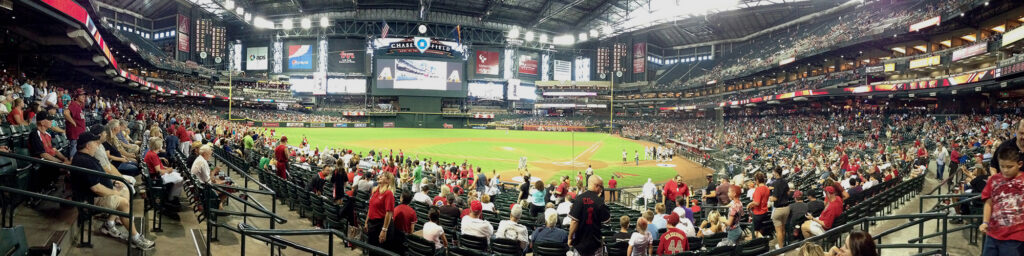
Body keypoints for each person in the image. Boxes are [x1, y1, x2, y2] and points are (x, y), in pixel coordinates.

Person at [69, 131, 155, 250]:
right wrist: (114, 192)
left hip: (94, 195)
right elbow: (96, 188)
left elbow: (100, 176)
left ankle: (109, 224)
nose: (98, 145)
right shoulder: (84, 161)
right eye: (95, 143)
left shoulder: (87, 157)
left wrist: (114, 182)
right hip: (88, 200)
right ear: (88, 146)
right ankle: (136, 238)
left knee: (125, 191)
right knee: (123, 202)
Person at [979, 142, 1024, 256]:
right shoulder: (994, 180)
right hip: (993, 233)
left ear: (1019, 164)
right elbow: (989, 202)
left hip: (1015, 236)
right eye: (1002, 166)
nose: (1005, 170)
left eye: (1009, 166)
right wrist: (985, 221)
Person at [568, 176, 611, 256]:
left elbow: (574, 221)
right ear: (597, 186)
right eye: (601, 187)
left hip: (579, 242)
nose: (601, 189)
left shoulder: (579, 199)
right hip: (595, 242)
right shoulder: (600, 202)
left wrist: (570, 237)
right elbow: (607, 221)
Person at [365, 172, 397, 252]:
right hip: (372, 224)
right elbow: (371, 207)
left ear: (388, 181)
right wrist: (366, 222)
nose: (379, 176)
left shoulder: (388, 193)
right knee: (371, 250)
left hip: (381, 225)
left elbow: (389, 213)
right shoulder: (375, 190)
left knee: (379, 251)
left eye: (382, 176)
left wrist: (384, 230)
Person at [770, 167, 792, 248]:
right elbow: (788, 192)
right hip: (786, 208)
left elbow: (775, 198)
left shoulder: (776, 183)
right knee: (783, 228)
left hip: (778, 209)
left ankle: (780, 248)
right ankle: (782, 245)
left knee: (779, 231)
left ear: (776, 173)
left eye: (773, 172)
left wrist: (770, 198)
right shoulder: (785, 181)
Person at [748, 171, 771, 237]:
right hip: (765, 212)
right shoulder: (767, 188)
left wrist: (749, 204)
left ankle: (758, 243)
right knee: (761, 230)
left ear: (757, 180)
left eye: (755, 180)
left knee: (756, 232)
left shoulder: (758, 189)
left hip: (758, 214)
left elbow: (757, 203)